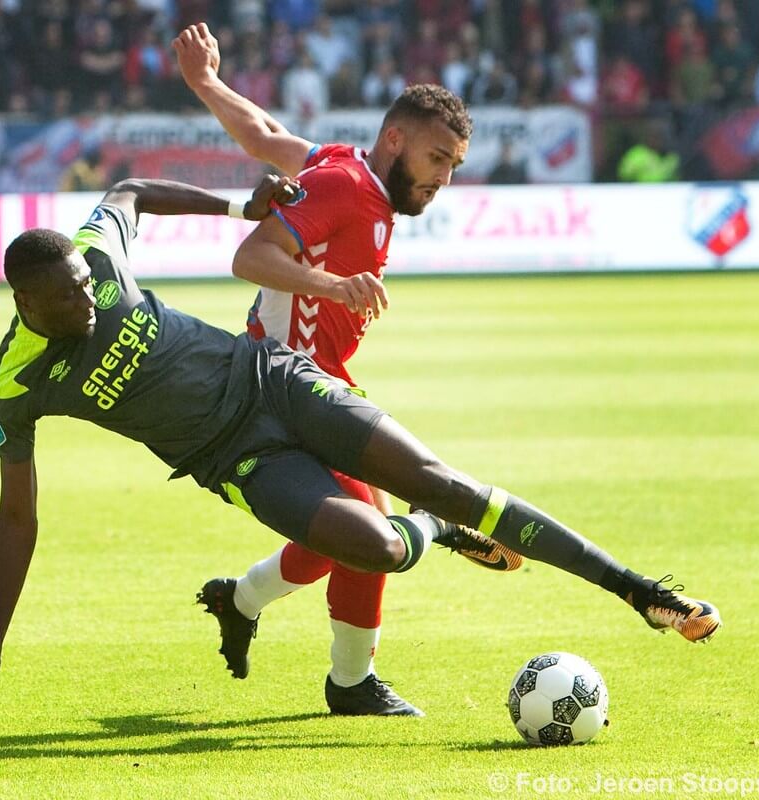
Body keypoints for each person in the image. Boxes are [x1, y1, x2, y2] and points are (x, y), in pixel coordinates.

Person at [0, 173, 720, 727]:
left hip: (271, 378)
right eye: (66, 296)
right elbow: (16, 520)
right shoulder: (15, 386)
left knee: (443, 480)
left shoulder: (98, 261)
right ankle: (438, 531)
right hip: (234, 460)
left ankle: (640, 592)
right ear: (23, 302)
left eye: (84, 283)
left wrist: (237, 204)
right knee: (376, 546)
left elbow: (129, 193)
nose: (85, 299)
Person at [174, 22, 521, 717]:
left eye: (453, 165)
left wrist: (208, 84)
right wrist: (332, 285)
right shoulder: (343, 185)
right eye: (436, 159)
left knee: (338, 537)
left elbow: (267, 136)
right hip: (284, 384)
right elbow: (248, 258)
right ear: (394, 140)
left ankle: (237, 601)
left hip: (319, 377)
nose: (444, 179)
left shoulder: (344, 166)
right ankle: (350, 682)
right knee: (374, 536)